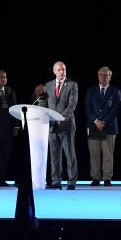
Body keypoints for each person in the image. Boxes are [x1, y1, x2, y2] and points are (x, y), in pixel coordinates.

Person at [38, 61, 79, 190]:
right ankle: (56, 181)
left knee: (70, 154)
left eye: (64, 69)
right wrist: (40, 110)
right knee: (54, 155)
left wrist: (62, 117)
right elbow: (44, 102)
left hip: (66, 124)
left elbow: (72, 104)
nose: (62, 72)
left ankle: (71, 181)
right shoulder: (48, 85)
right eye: (59, 70)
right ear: (54, 71)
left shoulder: (72, 85)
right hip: (51, 126)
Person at [85, 66, 121, 186]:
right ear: (98, 76)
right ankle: (95, 178)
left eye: (106, 75)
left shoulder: (116, 91)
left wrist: (104, 122)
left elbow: (116, 109)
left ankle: (107, 178)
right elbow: (87, 107)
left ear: (110, 77)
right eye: (101, 74)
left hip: (109, 127)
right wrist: (96, 121)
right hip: (93, 125)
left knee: (108, 154)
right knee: (94, 154)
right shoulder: (91, 90)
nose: (104, 77)